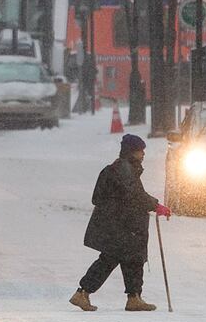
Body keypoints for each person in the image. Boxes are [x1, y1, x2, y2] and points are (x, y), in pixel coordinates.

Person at [69, 134, 172, 312]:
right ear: (131, 152)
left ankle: (133, 297)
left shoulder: (121, 169)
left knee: (132, 259)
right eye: (140, 151)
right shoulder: (122, 170)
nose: (143, 154)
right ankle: (82, 293)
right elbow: (135, 195)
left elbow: (102, 197)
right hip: (120, 226)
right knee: (110, 260)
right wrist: (156, 206)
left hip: (122, 225)